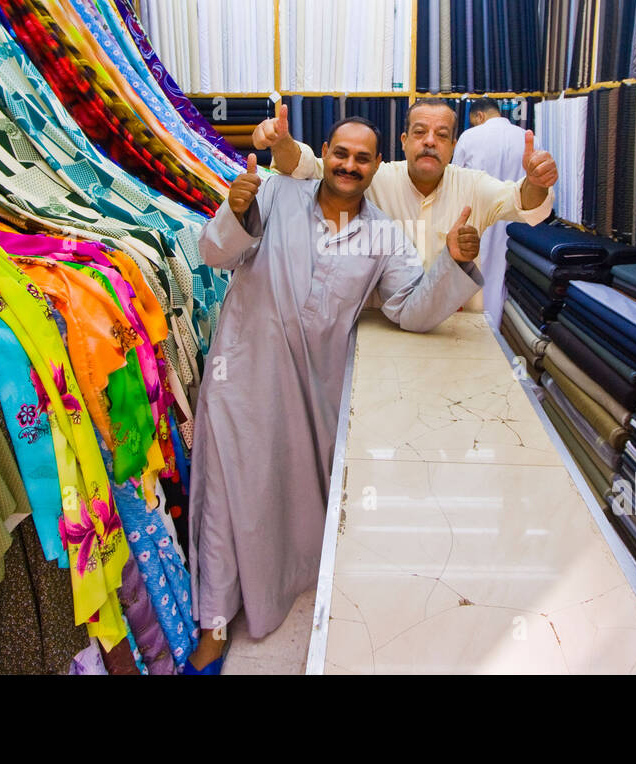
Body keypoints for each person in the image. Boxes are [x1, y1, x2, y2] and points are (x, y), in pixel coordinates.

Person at [185, 116, 481, 673]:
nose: (348, 165)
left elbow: (411, 308)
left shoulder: (383, 235)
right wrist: (238, 209)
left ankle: (276, 589)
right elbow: (214, 253)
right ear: (325, 152)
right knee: (226, 501)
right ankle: (216, 622)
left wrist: (456, 260)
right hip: (242, 381)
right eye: (340, 153)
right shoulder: (275, 195)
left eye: (361, 158)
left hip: (313, 394)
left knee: (284, 499)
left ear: (375, 167)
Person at [253, 98, 558, 316]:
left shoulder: (473, 186)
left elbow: (522, 203)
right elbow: (312, 168)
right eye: (419, 132)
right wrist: (282, 144)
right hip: (380, 323)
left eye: (441, 136)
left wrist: (537, 182)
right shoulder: (372, 176)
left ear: (454, 146)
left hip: (454, 326)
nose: (429, 142)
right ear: (404, 140)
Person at [453, 98, 532, 326]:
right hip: (518, 221)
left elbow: (455, 180)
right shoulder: (527, 137)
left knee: (476, 275)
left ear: (479, 116)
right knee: (506, 280)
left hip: (478, 218)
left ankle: (474, 331)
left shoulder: (470, 137)